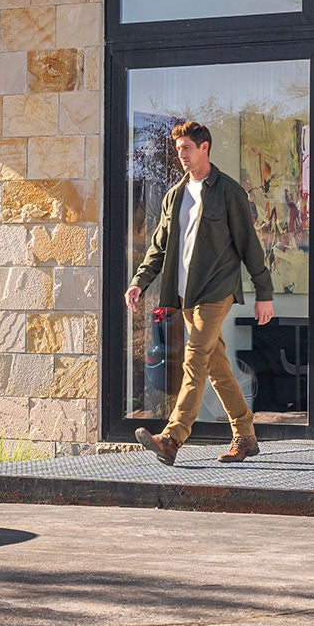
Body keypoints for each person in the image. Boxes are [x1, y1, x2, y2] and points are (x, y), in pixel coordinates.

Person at [125, 121, 275, 465]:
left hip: (217, 290)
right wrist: (138, 281)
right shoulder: (175, 195)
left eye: (187, 148)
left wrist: (263, 292)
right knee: (217, 366)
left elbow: (250, 246)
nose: (181, 156)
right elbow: (159, 246)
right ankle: (245, 435)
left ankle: (172, 438)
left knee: (194, 361)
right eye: (178, 150)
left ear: (204, 147)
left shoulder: (228, 192)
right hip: (185, 296)